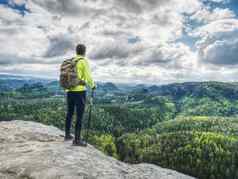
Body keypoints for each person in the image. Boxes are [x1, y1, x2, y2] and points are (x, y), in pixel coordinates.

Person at [64, 44, 96, 146]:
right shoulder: (83, 61)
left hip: (69, 91)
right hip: (80, 92)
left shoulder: (71, 61)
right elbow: (88, 76)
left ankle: (67, 135)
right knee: (79, 116)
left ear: (76, 51)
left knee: (69, 113)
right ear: (84, 52)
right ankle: (77, 140)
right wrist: (93, 85)